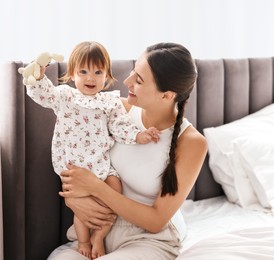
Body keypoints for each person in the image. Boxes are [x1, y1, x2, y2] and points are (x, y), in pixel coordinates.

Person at [53, 42, 208, 260]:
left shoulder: (191, 142)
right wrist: (73, 199)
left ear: (167, 95)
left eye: (139, 79)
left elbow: (156, 221)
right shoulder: (113, 109)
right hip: (98, 230)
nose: (127, 82)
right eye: (133, 72)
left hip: (149, 239)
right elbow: (74, 152)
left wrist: (96, 188)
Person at [24, 41, 160, 259]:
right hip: (75, 168)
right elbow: (44, 94)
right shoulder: (65, 97)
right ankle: (85, 240)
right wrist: (39, 76)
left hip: (102, 164)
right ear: (72, 74)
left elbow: (120, 126)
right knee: (82, 208)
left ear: (107, 75)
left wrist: (139, 135)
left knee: (115, 192)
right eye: (83, 71)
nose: (91, 78)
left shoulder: (110, 102)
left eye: (98, 72)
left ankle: (99, 237)